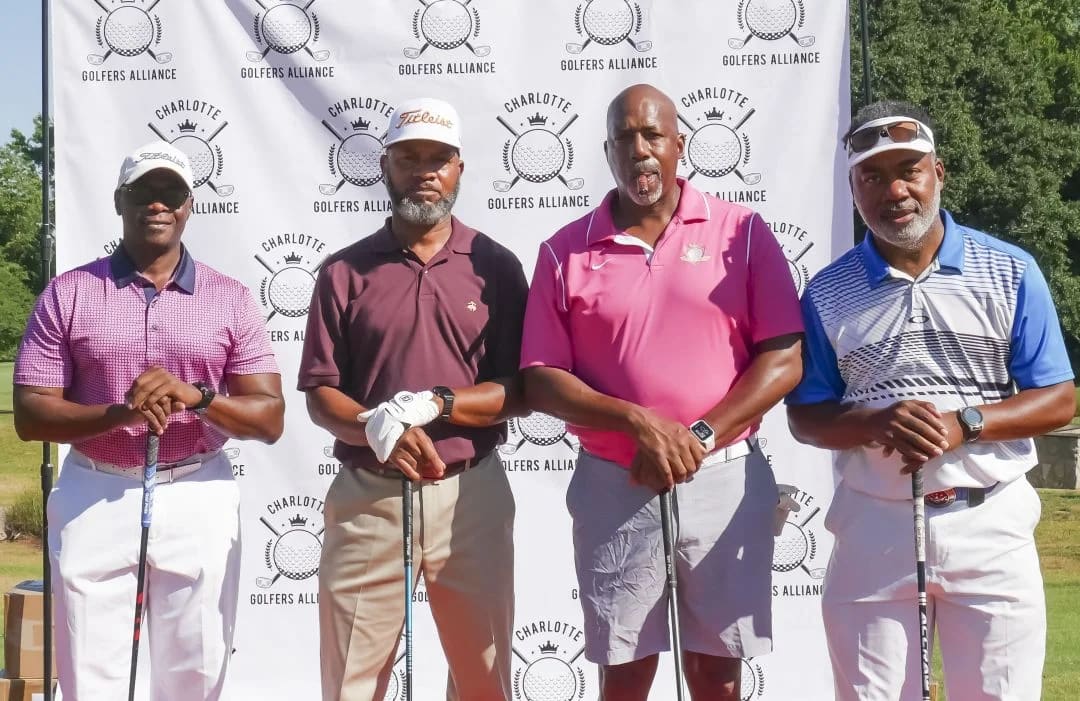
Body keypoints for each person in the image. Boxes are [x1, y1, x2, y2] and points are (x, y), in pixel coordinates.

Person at [519, 83, 805, 700]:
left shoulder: (742, 232)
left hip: (723, 475)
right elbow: (541, 378)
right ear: (607, 151)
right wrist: (637, 422)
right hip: (615, 480)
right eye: (624, 138)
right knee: (623, 669)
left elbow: (783, 360)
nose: (639, 149)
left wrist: (695, 436)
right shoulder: (564, 251)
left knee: (717, 671)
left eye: (652, 135)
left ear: (679, 144)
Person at [786, 100, 1077, 700]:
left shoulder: (1010, 270)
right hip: (874, 525)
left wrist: (964, 423)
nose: (894, 191)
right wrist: (876, 422)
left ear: (937, 173)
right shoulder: (826, 292)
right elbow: (807, 417)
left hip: (990, 521)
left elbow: (1058, 399)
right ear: (853, 189)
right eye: (872, 176)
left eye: (908, 170)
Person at [12, 141, 285, 700]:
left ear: (189, 206)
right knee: (91, 675)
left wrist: (197, 397)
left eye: (171, 192)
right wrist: (121, 414)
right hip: (95, 488)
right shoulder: (69, 293)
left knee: (196, 670)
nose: (157, 204)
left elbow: (269, 416)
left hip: (197, 487)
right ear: (119, 201)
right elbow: (31, 413)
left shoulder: (230, 298)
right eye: (143, 192)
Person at [298, 97, 528, 701]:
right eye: (408, 158)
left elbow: (520, 390)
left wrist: (439, 404)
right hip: (369, 496)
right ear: (385, 167)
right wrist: (375, 427)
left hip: (470, 496)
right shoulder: (344, 272)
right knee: (350, 684)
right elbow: (321, 394)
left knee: (484, 683)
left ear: (459, 168)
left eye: (438, 159)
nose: (424, 171)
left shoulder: (496, 267)